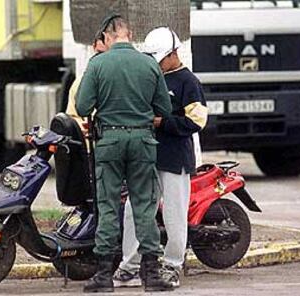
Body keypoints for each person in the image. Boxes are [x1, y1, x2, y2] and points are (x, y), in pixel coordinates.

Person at [76, 15, 174, 293]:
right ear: (130, 35)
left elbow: (83, 107)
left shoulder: (97, 64)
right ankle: (152, 276)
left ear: (107, 37)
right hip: (143, 141)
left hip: (109, 142)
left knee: (108, 205)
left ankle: (104, 276)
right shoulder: (149, 64)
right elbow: (164, 110)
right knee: (144, 205)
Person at [113, 27, 208, 288]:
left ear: (173, 54)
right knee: (135, 209)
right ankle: (129, 267)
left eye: (160, 59)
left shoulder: (189, 82)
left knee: (174, 214)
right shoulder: (152, 76)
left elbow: (197, 120)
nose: (158, 64)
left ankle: (172, 265)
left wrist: (162, 122)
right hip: (147, 156)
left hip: (175, 159)